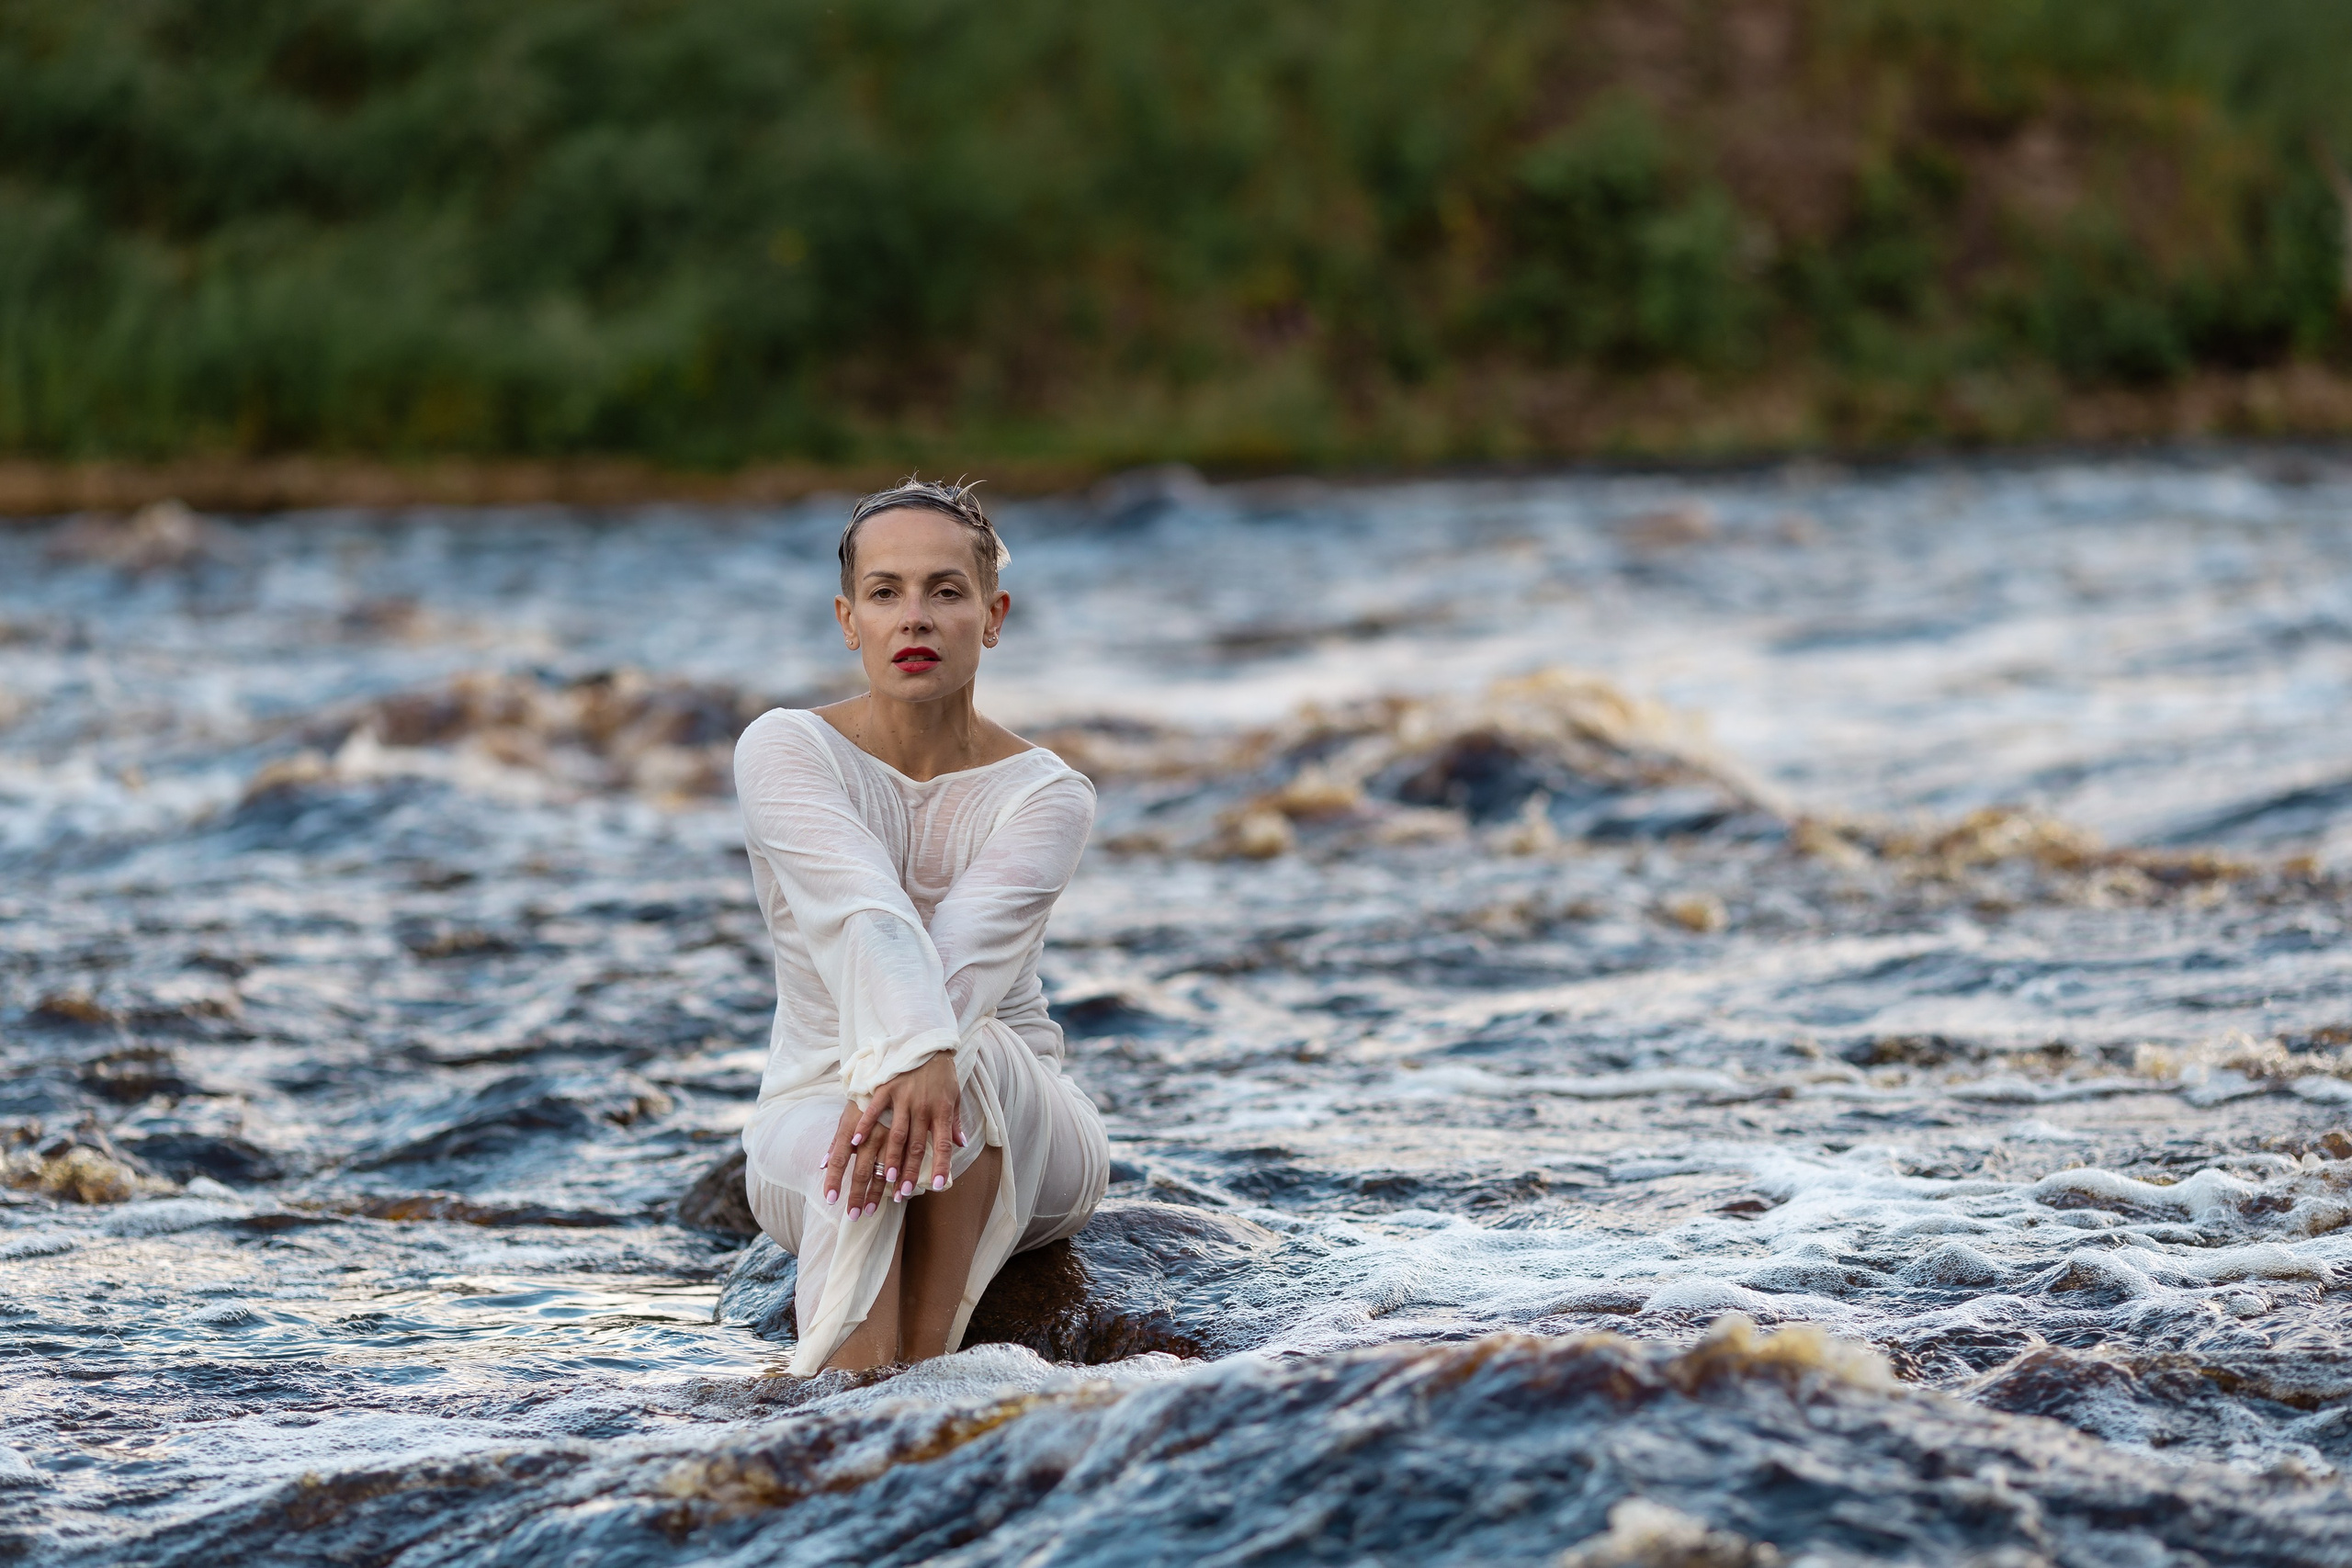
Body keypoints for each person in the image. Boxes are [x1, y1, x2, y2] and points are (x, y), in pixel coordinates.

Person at [733, 478, 1109, 1374]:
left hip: (1020, 1124)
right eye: (885, 592)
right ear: (846, 617)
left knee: (961, 1049)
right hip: (817, 1100)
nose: (915, 618)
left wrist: (921, 1055)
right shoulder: (783, 749)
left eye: (945, 591)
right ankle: (851, 1416)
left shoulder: (1046, 792)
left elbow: (968, 949)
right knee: (855, 1171)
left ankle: (924, 1382)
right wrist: (905, 1064)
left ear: (993, 614)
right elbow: (859, 906)